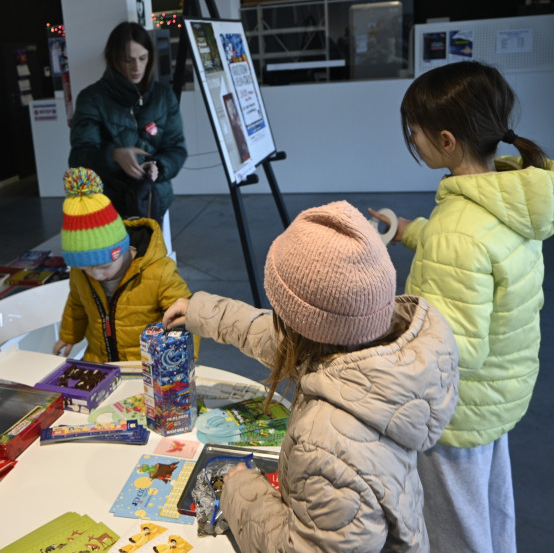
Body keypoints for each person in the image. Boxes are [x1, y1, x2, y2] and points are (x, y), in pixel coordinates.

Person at [162, 201, 460, 552]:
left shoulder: (326, 447)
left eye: (280, 310)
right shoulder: (368, 352)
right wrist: (202, 310)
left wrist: (239, 489)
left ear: (304, 327)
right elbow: (270, 335)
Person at [370, 61, 554, 552]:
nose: (411, 140)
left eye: (413, 132)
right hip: (497, 396)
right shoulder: (508, 200)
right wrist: (410, 231)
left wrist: (381, 335)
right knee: (490, 510)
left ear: (445, 140)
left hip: (456, 415)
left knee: (454, 529)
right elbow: (471, 255)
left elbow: (452, 346)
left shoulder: (459, 228)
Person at [54, 167, 192, 362]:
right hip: (99, 363)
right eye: (86, 269)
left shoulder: (158, 272)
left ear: (122, 249)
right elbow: (76, 304)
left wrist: (181, 362)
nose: (97, 276)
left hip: (149, 367)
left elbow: (185, 316)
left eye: (103, 267)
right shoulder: (80, 274)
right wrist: (69, 336)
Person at [69, 21, 187, 223]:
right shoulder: (92, 98)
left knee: (153, 253)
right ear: (114, 59)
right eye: (128, 60)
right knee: (117, 255)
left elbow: (176, 148)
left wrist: (158, 167)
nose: (137, 67)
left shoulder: (163, 96)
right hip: (107, 206)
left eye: (143, 58)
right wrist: (114, 155)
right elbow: (79, 157)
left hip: (153, 200)